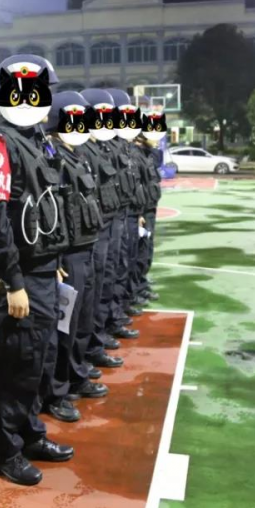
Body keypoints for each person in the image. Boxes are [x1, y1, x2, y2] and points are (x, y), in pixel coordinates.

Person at [0, 54, 74, 486]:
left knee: (39, 359)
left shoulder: (37, 140)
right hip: (14, 277)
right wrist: (13, 282)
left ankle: (30, 432)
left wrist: (52, 265)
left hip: (41, 269)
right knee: (17, 362)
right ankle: (6, 448)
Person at [42, 91, 109, 423]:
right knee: (64, 327)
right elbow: (51, 213)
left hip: (87, 245)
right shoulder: (54, 159)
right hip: (68, 254)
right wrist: (55, 259)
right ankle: (59, 388)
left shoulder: (78, 156)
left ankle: (77, 375)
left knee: (82, 318)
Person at [78, 89, 126, 373]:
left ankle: (94, 342)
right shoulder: (82, 150)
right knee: (86, 298)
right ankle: (86, 353)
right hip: (88, 234)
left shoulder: (102, 148)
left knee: (103, 285)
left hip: (105, 224)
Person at [104, 89, 141, 340]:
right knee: (107, 276)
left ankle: (114, 316)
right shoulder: (100, 147)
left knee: (119, 267)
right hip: (105, 222)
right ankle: (107, 324)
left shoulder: (120, 146)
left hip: (121, 214)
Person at [135, 102, 166, 305]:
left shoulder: (150, 151)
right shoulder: (136, 152)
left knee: (147, 251)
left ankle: (141, 284)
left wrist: (152, 144)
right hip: (142, 210)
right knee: (140, 251)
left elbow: (157, 163)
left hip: (150, 207)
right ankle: (137, 287)